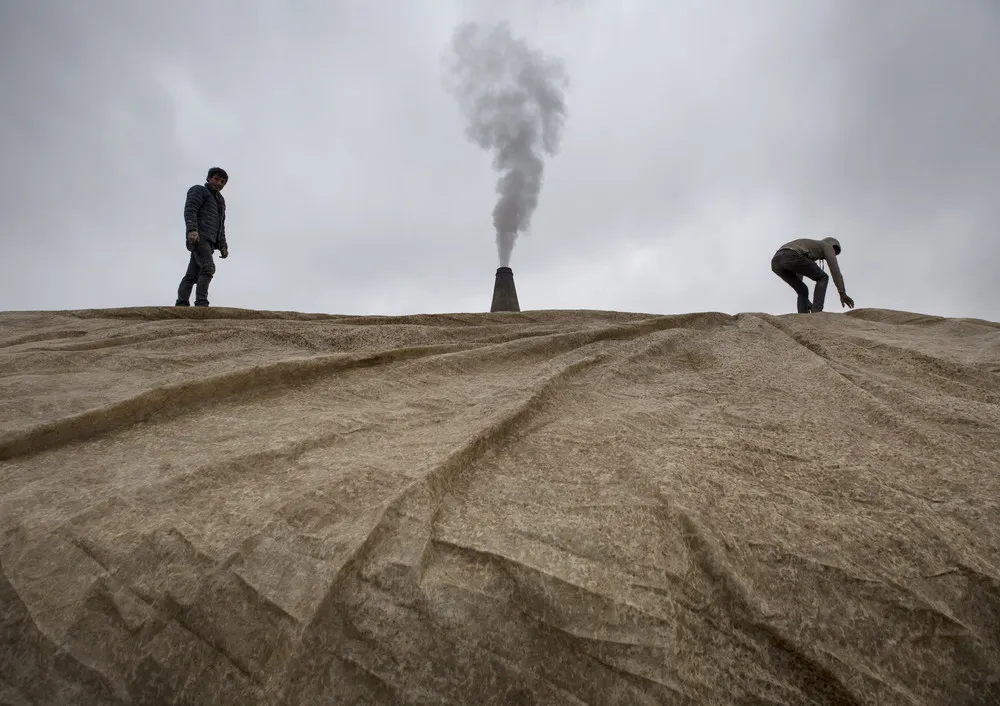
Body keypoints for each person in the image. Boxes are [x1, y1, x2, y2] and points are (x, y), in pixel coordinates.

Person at [175, 167, 229, 307]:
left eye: (222, 181)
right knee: (208, 268)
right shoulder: (199, 190)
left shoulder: (220, 201)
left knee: (192, 274)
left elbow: (220, 224)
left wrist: (222, 245)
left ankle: (181, 303)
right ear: (209, 178)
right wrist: (192, 230)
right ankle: (201, 302)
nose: (219, 183)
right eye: (216, 179)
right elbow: (190, 210)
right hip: (200, 237)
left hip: (210, 241)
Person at [770, 237, 855, 313]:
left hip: (776, 262)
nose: (833, 254)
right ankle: (817, 311)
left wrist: (805, 301)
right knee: (823, 277)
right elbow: (835, 269)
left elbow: (799, 272)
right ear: (833, 246)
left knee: (802, 289)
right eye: (834, 253)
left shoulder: (810, 247)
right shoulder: (827, 246)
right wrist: (842, 293)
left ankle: (803, 316)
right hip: (792, 255)